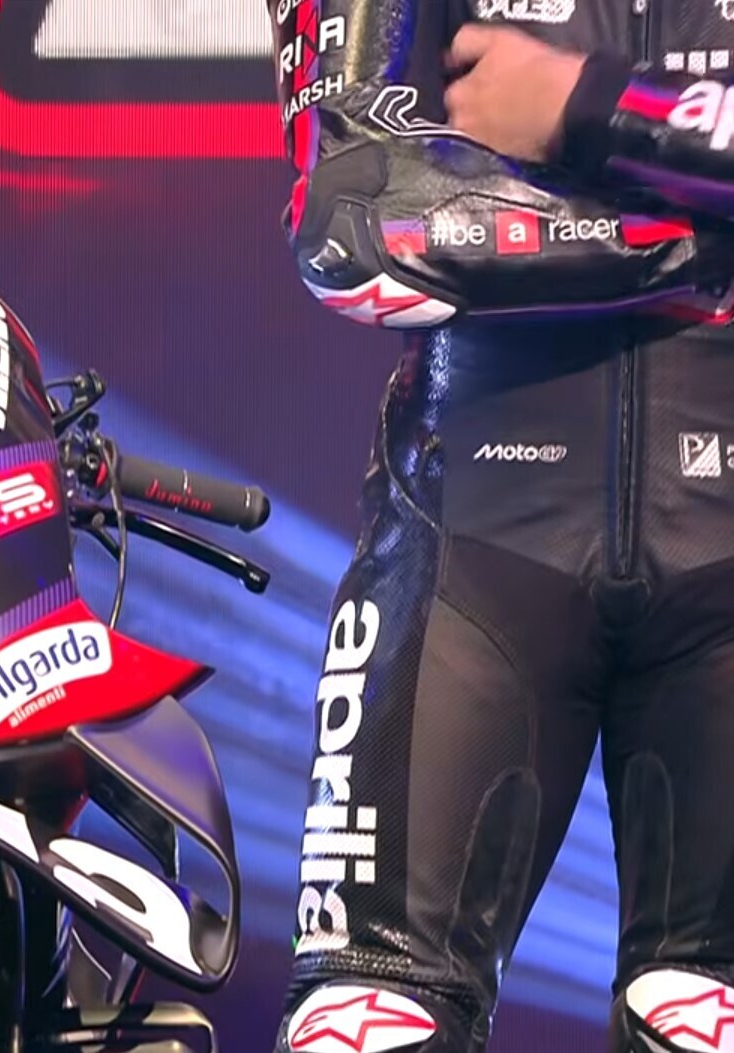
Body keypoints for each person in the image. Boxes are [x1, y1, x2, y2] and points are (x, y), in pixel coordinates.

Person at [269, 1, 734, 1050]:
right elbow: (355, 218)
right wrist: (691, 229)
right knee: (365, 1024)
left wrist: (584, 105)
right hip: (470, 548)